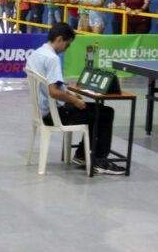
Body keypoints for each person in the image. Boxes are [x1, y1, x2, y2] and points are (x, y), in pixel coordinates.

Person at [26, 23, 125, 175]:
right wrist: (75, 100)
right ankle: (99, 160)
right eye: (67, 44)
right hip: (55, 115)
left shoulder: (36, 53)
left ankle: (81, 155)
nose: (67, 48)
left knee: (95, 111)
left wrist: (69, 93)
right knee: (105, 113)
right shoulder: (52, 58)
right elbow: (54, 92)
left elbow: (51, 85)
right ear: (59, 39)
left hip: (42, 112)